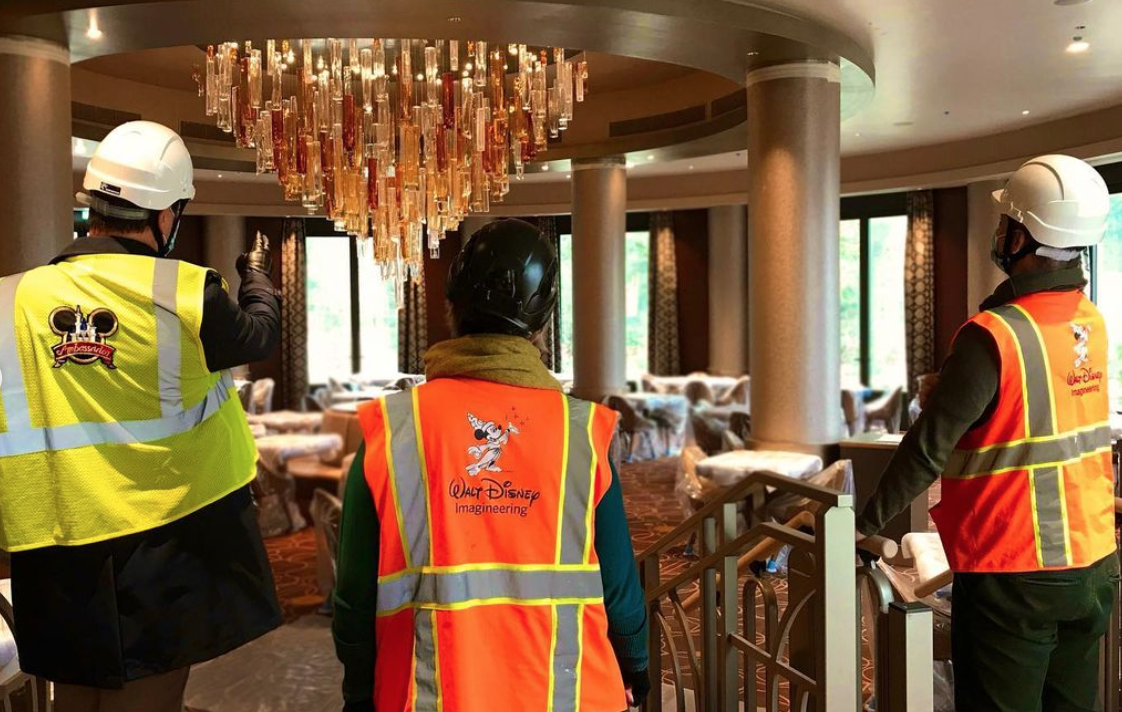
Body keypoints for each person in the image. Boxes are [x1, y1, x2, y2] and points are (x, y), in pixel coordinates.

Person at [0, 120, 283, 711]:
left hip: (51, 545)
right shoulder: (184, 292)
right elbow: (258, 335)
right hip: (161, 540)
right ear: (166, 215)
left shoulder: (10, 300)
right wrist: (256, 276)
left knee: (73, 699)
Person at [333, 219, 650, 712]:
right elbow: (620, 589)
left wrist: (359, 690)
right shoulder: (584, 435)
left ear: (451, 308)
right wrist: (636, 664)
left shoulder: (392, 430)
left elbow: (353, 598)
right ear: (543, 322)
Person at [857, 154, 1117, 712]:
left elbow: (926, 450)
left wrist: (862, 524)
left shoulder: (993, 335)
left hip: (1013, 571)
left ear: (1023, 237)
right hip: (1093, 564)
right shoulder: (1088, 321)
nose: (998, 234)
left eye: (1005, 224)